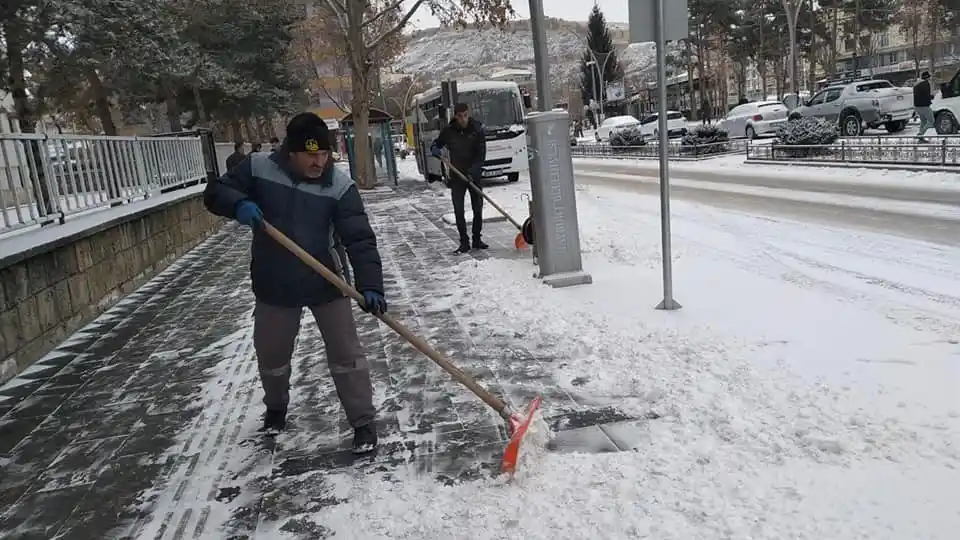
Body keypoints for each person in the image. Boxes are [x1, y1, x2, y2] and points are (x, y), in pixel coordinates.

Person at [203, 112, 386, 454]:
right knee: (272, 356)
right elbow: (216, 192)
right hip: (275, 282)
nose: (319, 162)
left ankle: (363, 422)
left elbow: (359, 239)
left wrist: (371, 285)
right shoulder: (258, 168)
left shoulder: (340, 186)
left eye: (324, 154)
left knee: (347, 355)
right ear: (291, 152)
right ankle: (276, 408)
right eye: (310, 155)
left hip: (326, 280)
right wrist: (238, 203)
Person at [430, 103, 488, 254]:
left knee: (477, 208)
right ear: (455, 116)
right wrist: (434, 149)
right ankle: (464, 242)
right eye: (460, 116)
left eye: (465, 115)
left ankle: (477, 239)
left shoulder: (477, 130)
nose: (463, 119)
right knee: (459, 210)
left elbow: (481, 155)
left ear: (468, 114)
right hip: (457, 177)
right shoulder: (449, 132)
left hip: (473, 176)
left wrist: (473, 172)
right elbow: (437, 143)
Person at [914, 71, 934, 143]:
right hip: (924, 106)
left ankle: (921, 139)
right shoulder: (925, 84)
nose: (929, 78)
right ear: (926, 77)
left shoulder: (917, 84)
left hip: (917, 106)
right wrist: (931, 97)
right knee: (931, 121)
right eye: (929, 77)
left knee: (923, 121)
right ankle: (920, 134)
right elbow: (926, 95)